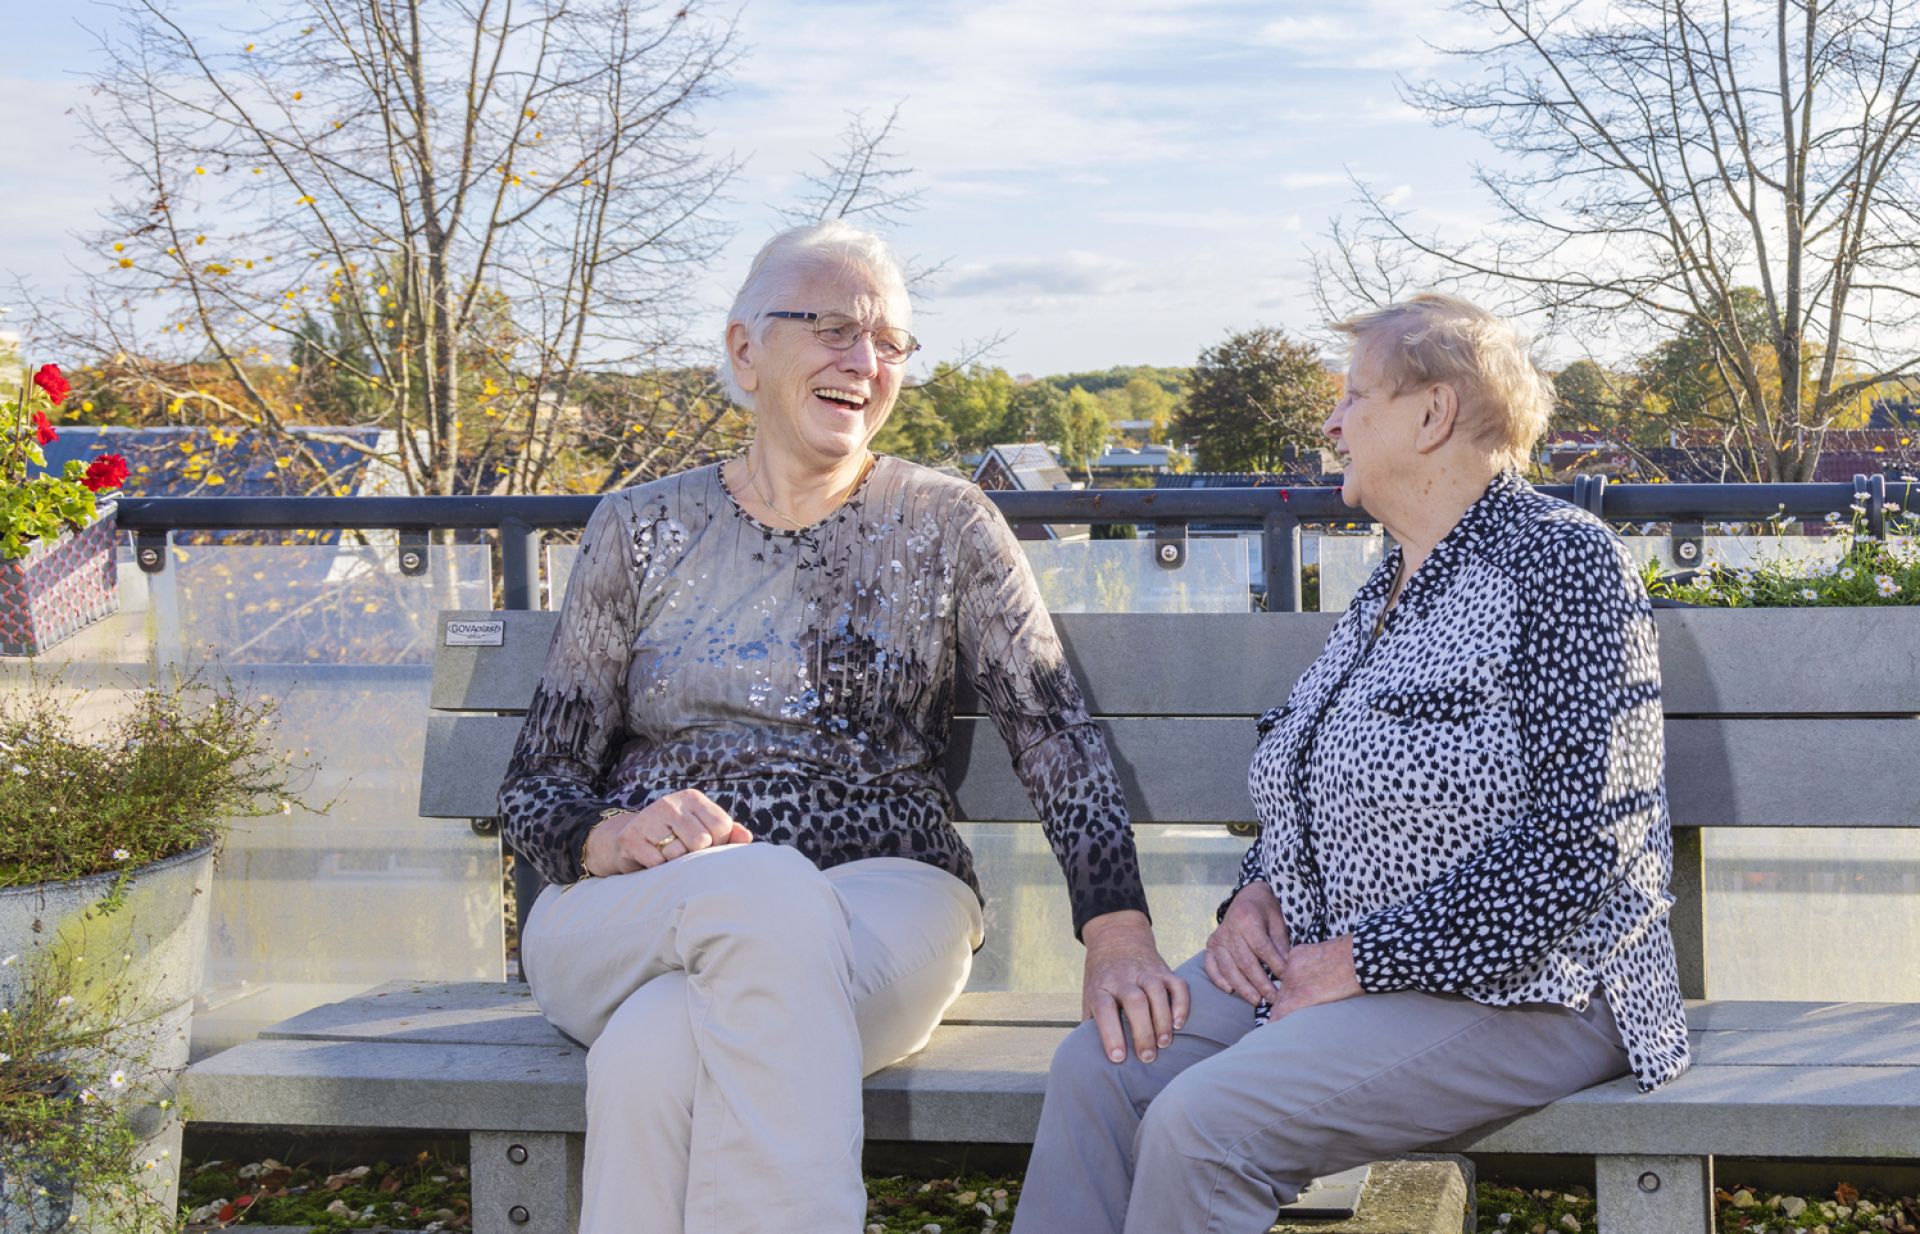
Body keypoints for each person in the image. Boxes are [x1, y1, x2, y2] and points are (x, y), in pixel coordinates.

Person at [497, 220, 1185, 1234]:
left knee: (654, 1051)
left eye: (890, 341)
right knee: (759, 890)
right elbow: (537, 783)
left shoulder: (946, 523)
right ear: (745, 351)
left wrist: (1118, 926)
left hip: (884, 896)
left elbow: (1053, 732)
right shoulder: (639, 529)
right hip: (637, 904)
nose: (864, 362)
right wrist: (611, 837)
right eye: (829, 327)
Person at [1014, 293, 1691, 1234]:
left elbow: (1586, 847)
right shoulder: (1391, 578)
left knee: (1205, 1126)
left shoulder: (1562, 565)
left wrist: (1366, 959)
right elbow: (1320, 783)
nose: (1331, 425)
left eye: (1353, 398)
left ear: (1432, 414)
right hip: (1333, 959)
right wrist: (1254, 895)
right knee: (1099, 1069)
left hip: (1539, 985)